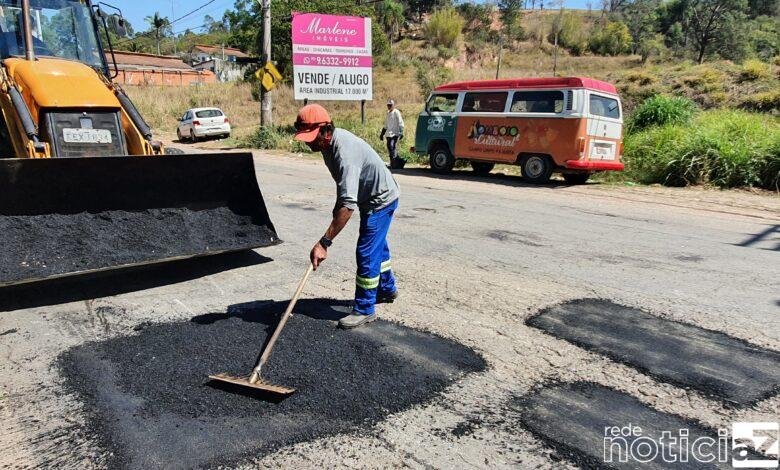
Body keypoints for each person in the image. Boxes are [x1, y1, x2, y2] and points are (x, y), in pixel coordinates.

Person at [294, 104, 400, 329]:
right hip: (370, 197)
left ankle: (364, 308)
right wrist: (336, 208)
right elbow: (344, 191)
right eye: (306, 137)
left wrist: (324, 243)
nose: (309, 142)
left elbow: (348, 206)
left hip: (380, 200)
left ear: (326, 130)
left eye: (312, 137)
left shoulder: (344, 151)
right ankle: (387, 288)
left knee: (366, 251)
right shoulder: (326, 146)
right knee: (377, 246)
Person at [380, 99, 405, 169]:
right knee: (390, 147)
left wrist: (401, 131)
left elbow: (400, 122)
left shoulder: (396, 112)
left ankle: (394, 163)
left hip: (395, 133)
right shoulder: (388, 113)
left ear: (393, 105)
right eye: (388, 105)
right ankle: (393, 163)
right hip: (388, 134)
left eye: (390, 105)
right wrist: (382, 134)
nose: (389, 106)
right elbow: (386, 125)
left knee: (392, 146)